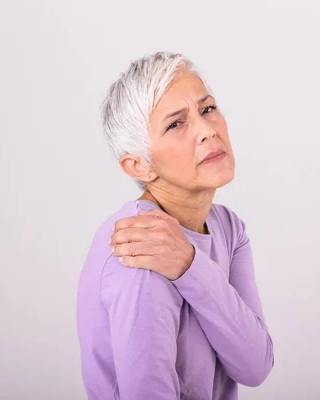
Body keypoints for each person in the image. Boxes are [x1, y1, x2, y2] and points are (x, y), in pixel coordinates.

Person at [76, 51, 274, 399]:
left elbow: (255, 366)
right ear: (139, 166)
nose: (207, 130)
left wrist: (189, 265)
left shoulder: (228, 228)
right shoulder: (137, 250)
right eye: (175, 123)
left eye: (207, 109)